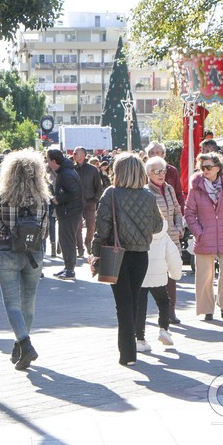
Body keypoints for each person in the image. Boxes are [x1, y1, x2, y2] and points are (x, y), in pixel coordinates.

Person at [90, 153, 162, 366]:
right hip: (141, 255)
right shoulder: (148, 196)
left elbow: (101, 228)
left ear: (119, 171)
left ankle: (128, 354)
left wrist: (95, 253)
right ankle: (132, 348)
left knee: (123, 304)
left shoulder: (111, 194)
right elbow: (157, 226)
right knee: (133, 300)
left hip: (116, 255)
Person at [0, 150, 50, 370]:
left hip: (7, 253)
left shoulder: (3, 197)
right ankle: (20, 346)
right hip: (33, 254)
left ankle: (25, 344)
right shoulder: (42, 199)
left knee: (12, 304)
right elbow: (45, 232)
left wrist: (8, 229)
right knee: (28, 303)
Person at [185, 152, 223, 320]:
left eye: (208, 167)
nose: (205, 170)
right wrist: (198, 232)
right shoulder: (196, 187)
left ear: (218, 168)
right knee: (205, 275)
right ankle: (207, 309)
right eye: (202, 167)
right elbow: (189, 213)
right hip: (204, 237)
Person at [145, 156, 184, 324]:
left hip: (173, 238)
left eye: (163, 171)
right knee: (151, 275)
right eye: (157, 171)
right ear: (148, 173)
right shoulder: (146, 191)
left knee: (172, 275)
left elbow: (177, 209)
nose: (161, 175)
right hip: (156, 241)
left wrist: (179, 225)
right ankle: (146, 312)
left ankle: (171, 312)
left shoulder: (168, 189)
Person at [136, 219, 183, 351]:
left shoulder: (137, 229)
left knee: (140, 305)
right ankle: (164, 329)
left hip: (141, 273)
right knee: (163, 301)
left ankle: (140, 339)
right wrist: (175, 274)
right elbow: (173, 256)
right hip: (159, 275)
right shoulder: (163, 234)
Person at [47, 149, 83, 280]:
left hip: (70, 211)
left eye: (48, 160)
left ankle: (70, 269)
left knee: (67, 240)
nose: (47, 163)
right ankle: (67, 266)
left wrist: (59, 199)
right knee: (64, 239)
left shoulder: (66, 173)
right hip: (68, 211)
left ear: (54, 161)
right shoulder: (65, 171)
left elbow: (74, 192)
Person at [73, 147, 103, 257]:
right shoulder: (72, 169)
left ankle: (88, 242)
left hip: (90, 201)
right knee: (78, 227)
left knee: (91, 226)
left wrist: (95, 199)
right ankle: (80, 249)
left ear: (83, 155)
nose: (74, 154)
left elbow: (99, 186)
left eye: (76, 153)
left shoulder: (92, 170)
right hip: (76, 202)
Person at [146, 142, 185, 213]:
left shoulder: (172, 171)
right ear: (148, 155)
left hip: (171, 213)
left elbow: (179, 194)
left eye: (157, 153)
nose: (155, 155)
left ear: (163, 155)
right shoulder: (144, 172)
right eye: (152, 153)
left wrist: (181, 214)